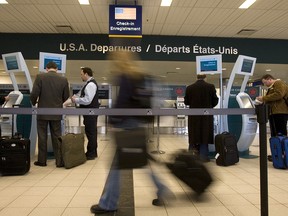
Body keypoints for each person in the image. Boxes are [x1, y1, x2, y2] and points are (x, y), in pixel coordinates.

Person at [90, 51, 174, 214]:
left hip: (127, 124)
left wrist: (112, 122)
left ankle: (109, 203)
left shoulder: (125, 77)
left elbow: (122, 103)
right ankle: (162, 188)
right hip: (139, 123)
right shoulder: (139, 76)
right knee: (140, 160)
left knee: (117, 165)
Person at [30, 61, 70, 167]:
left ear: (46, 68)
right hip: (56, 112)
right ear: (56, 69)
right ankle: (59, 161)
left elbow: (34, 93)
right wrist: (58, 103)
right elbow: (66, 96)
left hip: (42, 112)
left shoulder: (40, 77)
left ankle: (42, 161)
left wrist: (34, 103)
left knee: (42, 136)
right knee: (57, 137)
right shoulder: (63, 79)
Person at [184, 74, 219, 162]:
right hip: (206, 116)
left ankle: (191, 156)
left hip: (193, 116)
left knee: (193, 135)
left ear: (196, 77)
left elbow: (186, 102)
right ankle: (203, 156)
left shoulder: (190, 88)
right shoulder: (210, 87)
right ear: (205, 77)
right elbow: (215, 100)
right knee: (205, 135)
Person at [256, 74, 288, 161]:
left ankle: (283, 154)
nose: (265, 84)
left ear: (269, 79)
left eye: (265, 82)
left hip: (280, 113)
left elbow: (279, 94)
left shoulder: (279, 83)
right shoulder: (272, 87)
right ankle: (277, 153)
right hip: (274, 113)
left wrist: (264, 98)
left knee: (280, 134)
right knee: (275, 134)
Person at [71, 67, 99, 160]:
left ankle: (91, 153)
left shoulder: (90, 85)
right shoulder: (88, 84)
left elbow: (87, 100)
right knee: (91, 132)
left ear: (86, 74)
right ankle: (93, 152)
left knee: (91, 132)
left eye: (82, 74)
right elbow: (80, 94)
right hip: (90, 112)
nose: (81, 76)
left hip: (90, 112)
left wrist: (76, 100)